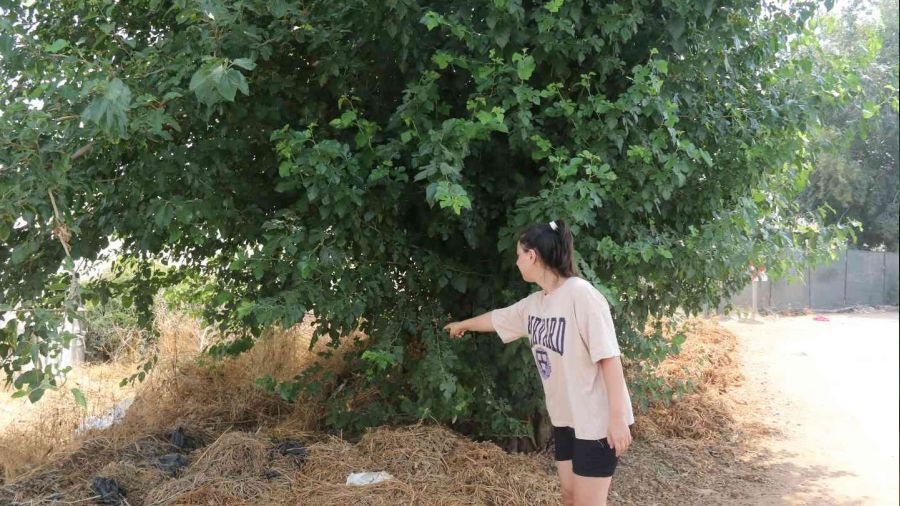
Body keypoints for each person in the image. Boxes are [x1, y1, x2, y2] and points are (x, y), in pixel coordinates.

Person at [444, 220, 634, 506]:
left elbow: (609, 358)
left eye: (519, 254)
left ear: (532, 255)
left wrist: (617, 420)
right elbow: (498, 318)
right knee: (569, 497)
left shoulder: (581, 296)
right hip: (567, 419)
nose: (517, 261)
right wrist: (463, 324)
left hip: (596, 421)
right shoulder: (536, 304)